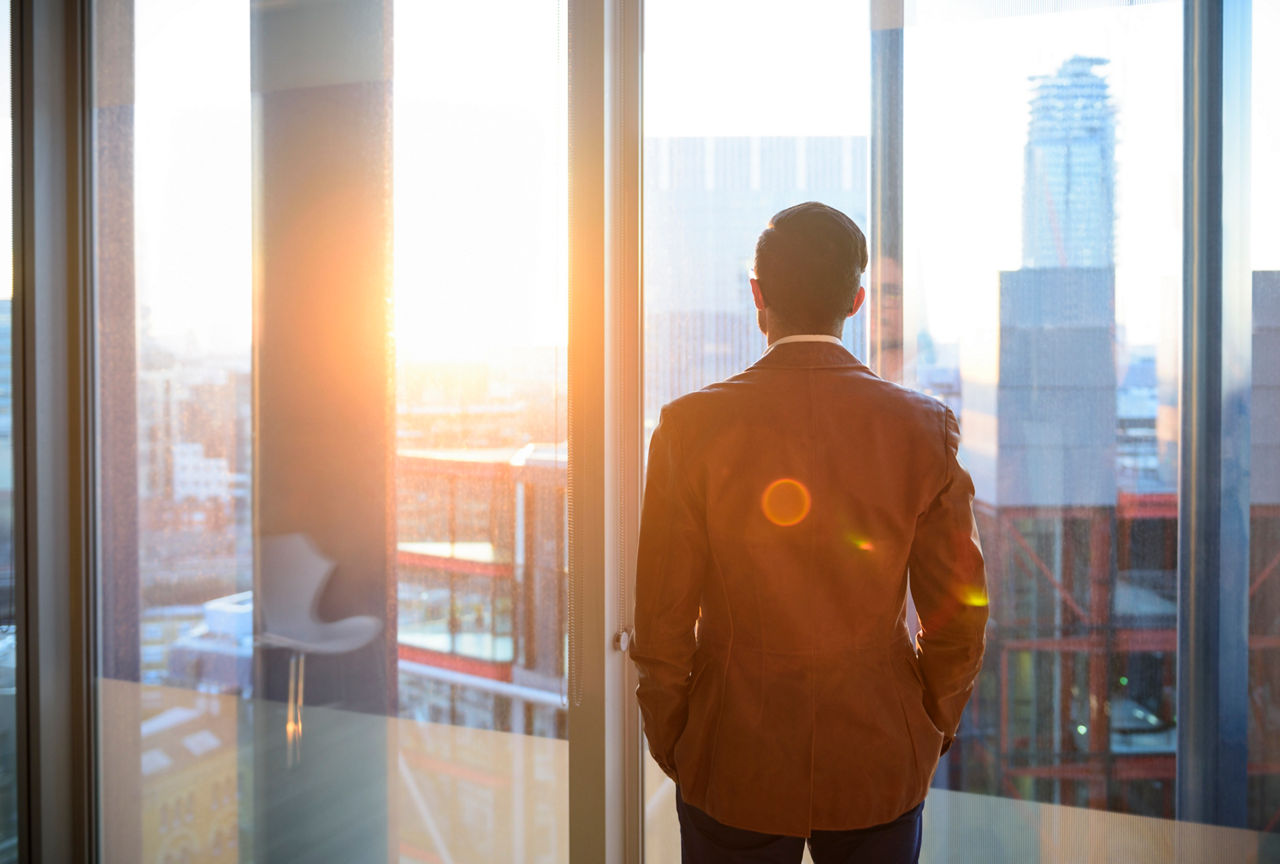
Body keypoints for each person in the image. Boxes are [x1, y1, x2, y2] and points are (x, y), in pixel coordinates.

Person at [631, 202, 988, 864]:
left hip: (730, 750)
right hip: (878, 752)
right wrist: (930, 723)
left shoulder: (689, 429)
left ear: (757, 295)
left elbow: (660, 624)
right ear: (854, 302)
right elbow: (959, 618)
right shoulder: (922, 428)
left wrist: (678, 738)